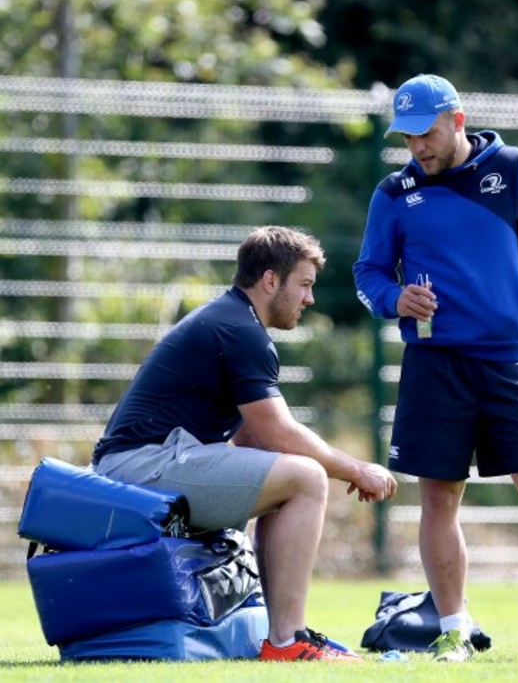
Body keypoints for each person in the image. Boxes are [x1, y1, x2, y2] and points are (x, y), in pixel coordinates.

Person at [353, 74, 518, 663]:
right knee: (440, 497)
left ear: (456, 119)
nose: (417, 146)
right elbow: (367, 273)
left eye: (425, 132)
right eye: (407, 136)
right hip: (433, 363)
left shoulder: (516, 168)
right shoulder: (394, 193)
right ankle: (453, 629)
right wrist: (395, 299)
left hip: (508, 361)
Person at [92, 225, 397, 663]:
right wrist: (356, 469)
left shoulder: (232, 319)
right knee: (306, 476)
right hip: (139, 466)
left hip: (142, 462)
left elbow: (255, 437)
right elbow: (278, 432)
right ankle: (288, 641)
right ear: (271, 280)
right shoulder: (239, 328)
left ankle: (287, 636)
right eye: (305, 285)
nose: (309, 299)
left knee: (288, 476)